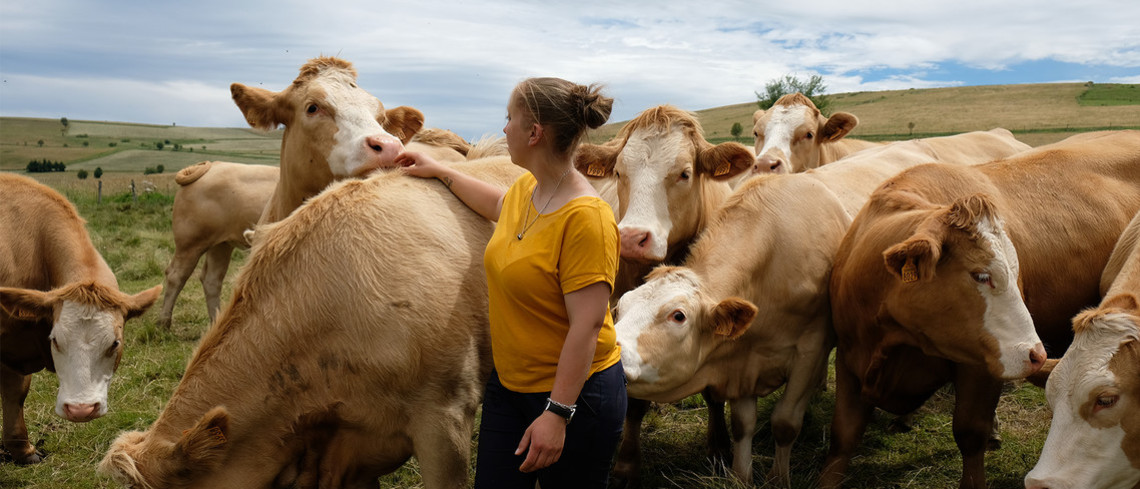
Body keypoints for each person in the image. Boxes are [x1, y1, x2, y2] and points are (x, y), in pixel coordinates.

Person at [395, 77, 626, 489]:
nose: (504, 130)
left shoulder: (586, 218)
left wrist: (557, 415)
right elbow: (496, 204)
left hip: (577, 397)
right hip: (509, 385)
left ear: (534, 133)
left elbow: (587, 325)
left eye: (509, 119)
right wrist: (443, 171)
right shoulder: (528, 190)